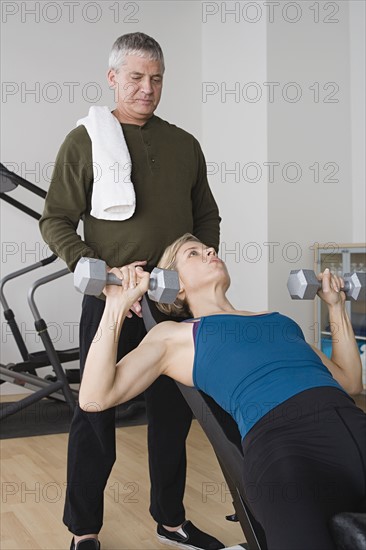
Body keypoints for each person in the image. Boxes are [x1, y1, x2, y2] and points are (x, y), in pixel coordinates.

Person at [39, 33, 223, 550]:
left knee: (175, 413)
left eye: (157, 78)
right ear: (113, 78)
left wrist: (196, 273)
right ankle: (84, 530)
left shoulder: (184, 143)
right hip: (112, 298)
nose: (148, 88)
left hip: (174, 302)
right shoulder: (85, 141)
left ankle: (170, 521)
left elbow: (205, 214)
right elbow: (56, 220)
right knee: (94, 413)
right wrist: (96, 269)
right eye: (137, 77)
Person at [79, 233, 366, 550]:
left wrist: (337, 308)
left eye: (208, 248)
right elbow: (95, 397)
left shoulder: (279, 321)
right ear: (176, 285)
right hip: (288, 453)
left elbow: (349, 383)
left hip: (356, 426)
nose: (209, 251)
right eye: (193, 253)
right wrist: (116, 307)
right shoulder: (175, 337)